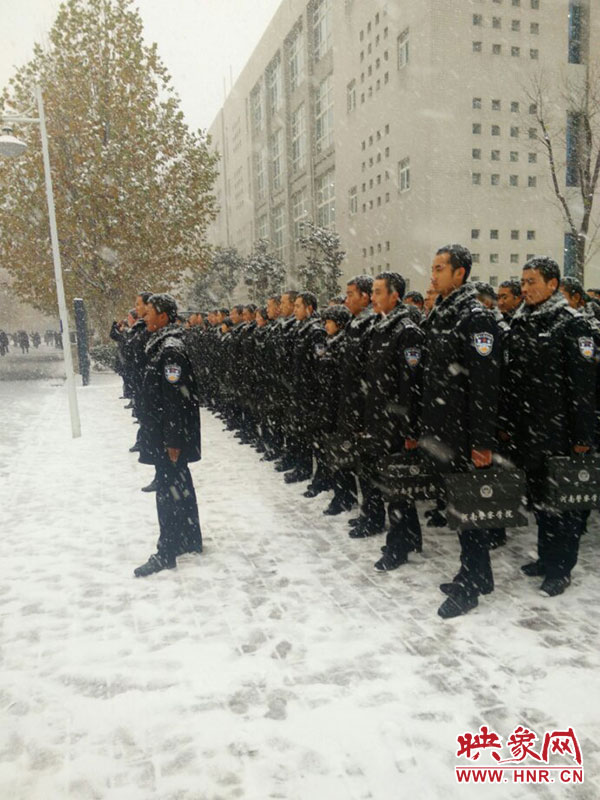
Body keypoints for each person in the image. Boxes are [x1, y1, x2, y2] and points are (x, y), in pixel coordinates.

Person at [499, 257, 596, 597]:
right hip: (529, 431)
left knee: (563, 506)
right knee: (540, 501)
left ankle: (560, 568)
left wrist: (584, 435)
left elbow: (585, 386)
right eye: (522, 282)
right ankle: (544, 557)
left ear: (553, 284)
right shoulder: (521, 322)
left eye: (531, 282)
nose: (524, 288)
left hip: (561, 432)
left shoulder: (572, 325)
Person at [419, 244, 501, 618]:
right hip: (447, 430)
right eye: (433, 268)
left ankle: (470, 587)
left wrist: (483, 442)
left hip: (467, 434)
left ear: (460, 274)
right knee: (460, 507)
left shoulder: (475, 318)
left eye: (439, 268)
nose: (432, 274)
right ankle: (479, 574)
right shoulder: (445, 313)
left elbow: (485, 385)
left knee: (469, 511)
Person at [134, 293, 202, 577]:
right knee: (180, 485)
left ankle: (167, 551)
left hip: (168, 436)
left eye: (149, 312)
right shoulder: (160, 345)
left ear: (164, 316)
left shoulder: (170, 349)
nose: (144, 316)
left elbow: (175, 398)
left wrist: (173, 440)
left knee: (168, 492)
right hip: (163, 431)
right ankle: (189, 538)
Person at [363, 272, 424, 570]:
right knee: (396, 486)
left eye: (377, 292)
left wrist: (409, 429)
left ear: (395, 294)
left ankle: (397, 547)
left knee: (397, 490)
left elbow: (409, 386)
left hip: (397, 426)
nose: (372, 297)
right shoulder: (380, 327)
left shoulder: (406, 331)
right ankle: (411, 537)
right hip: (380, 420)